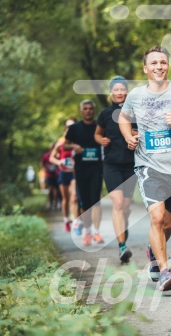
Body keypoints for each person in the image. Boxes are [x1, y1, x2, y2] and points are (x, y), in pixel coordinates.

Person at [119, 46, 171, 291]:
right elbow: (124, 119)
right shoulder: (135, 95)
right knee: (156, 218)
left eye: (163, 62)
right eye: (154, 63)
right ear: (145, 68)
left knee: (167, 224)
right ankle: (166, 270)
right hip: (148, 166)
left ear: (168, 66)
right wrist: (128, 137)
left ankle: (153, 253)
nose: (159, 66)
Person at [95, 76, 137, 263]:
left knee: (126, 208)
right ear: (111, 92)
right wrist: (100, 140)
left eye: (122, 89)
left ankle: (123, 236)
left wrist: (135, 134)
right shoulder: (105, 113)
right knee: (118, 203)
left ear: (126, 92)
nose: (119, 92)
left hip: (131, 164)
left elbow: (143, 131)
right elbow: (97, 133)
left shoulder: (135, 112)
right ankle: (121, 246)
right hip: (111, 164)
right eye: (116, 90)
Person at [65, 100, 104, 246]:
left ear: (94, 111)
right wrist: (74, 146)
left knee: (96, 201)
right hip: (81, 169)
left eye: (90, 108)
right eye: (85, 109)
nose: (88, 111)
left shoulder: (99, 127)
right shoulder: (74, 128)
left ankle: (97, 232)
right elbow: (66, 144)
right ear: (81, 111)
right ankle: (87, 232)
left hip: (96, 168)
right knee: (84, 203)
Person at [50, 119, 79, 232]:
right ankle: (66, 220)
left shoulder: (78, 143)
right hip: (63, 173)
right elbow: (52, 158)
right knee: (65, 199)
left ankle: (75, 222)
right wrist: (59, 162)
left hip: (74, 174)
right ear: (65, 129)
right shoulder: (61, 144)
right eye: (68, 127)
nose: (70, 129)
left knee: (75, 197)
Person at [41, 142, 59, 210]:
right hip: (50, 174)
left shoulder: (56, 154)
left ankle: (54, 203)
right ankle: (52, 203)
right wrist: (45, 169)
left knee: (54, 188)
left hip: (56, 173)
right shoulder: (47, 155)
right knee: (52, 188)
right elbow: (42, 163)